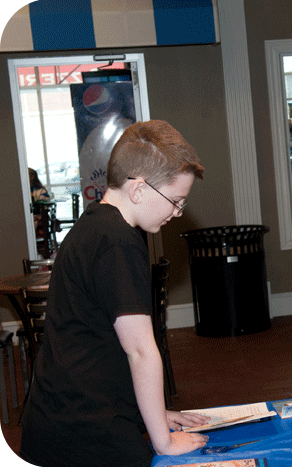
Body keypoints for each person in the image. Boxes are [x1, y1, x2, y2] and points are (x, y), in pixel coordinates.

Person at [20, 120, 211, 467]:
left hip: (62, 417)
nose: (177, 212)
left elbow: (95, 338)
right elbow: (140, 351)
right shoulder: (119, 242)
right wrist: (163, 442)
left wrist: (151, 416)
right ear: (138, 189)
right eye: (176, 201)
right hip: (83, 432)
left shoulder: (94, 223)